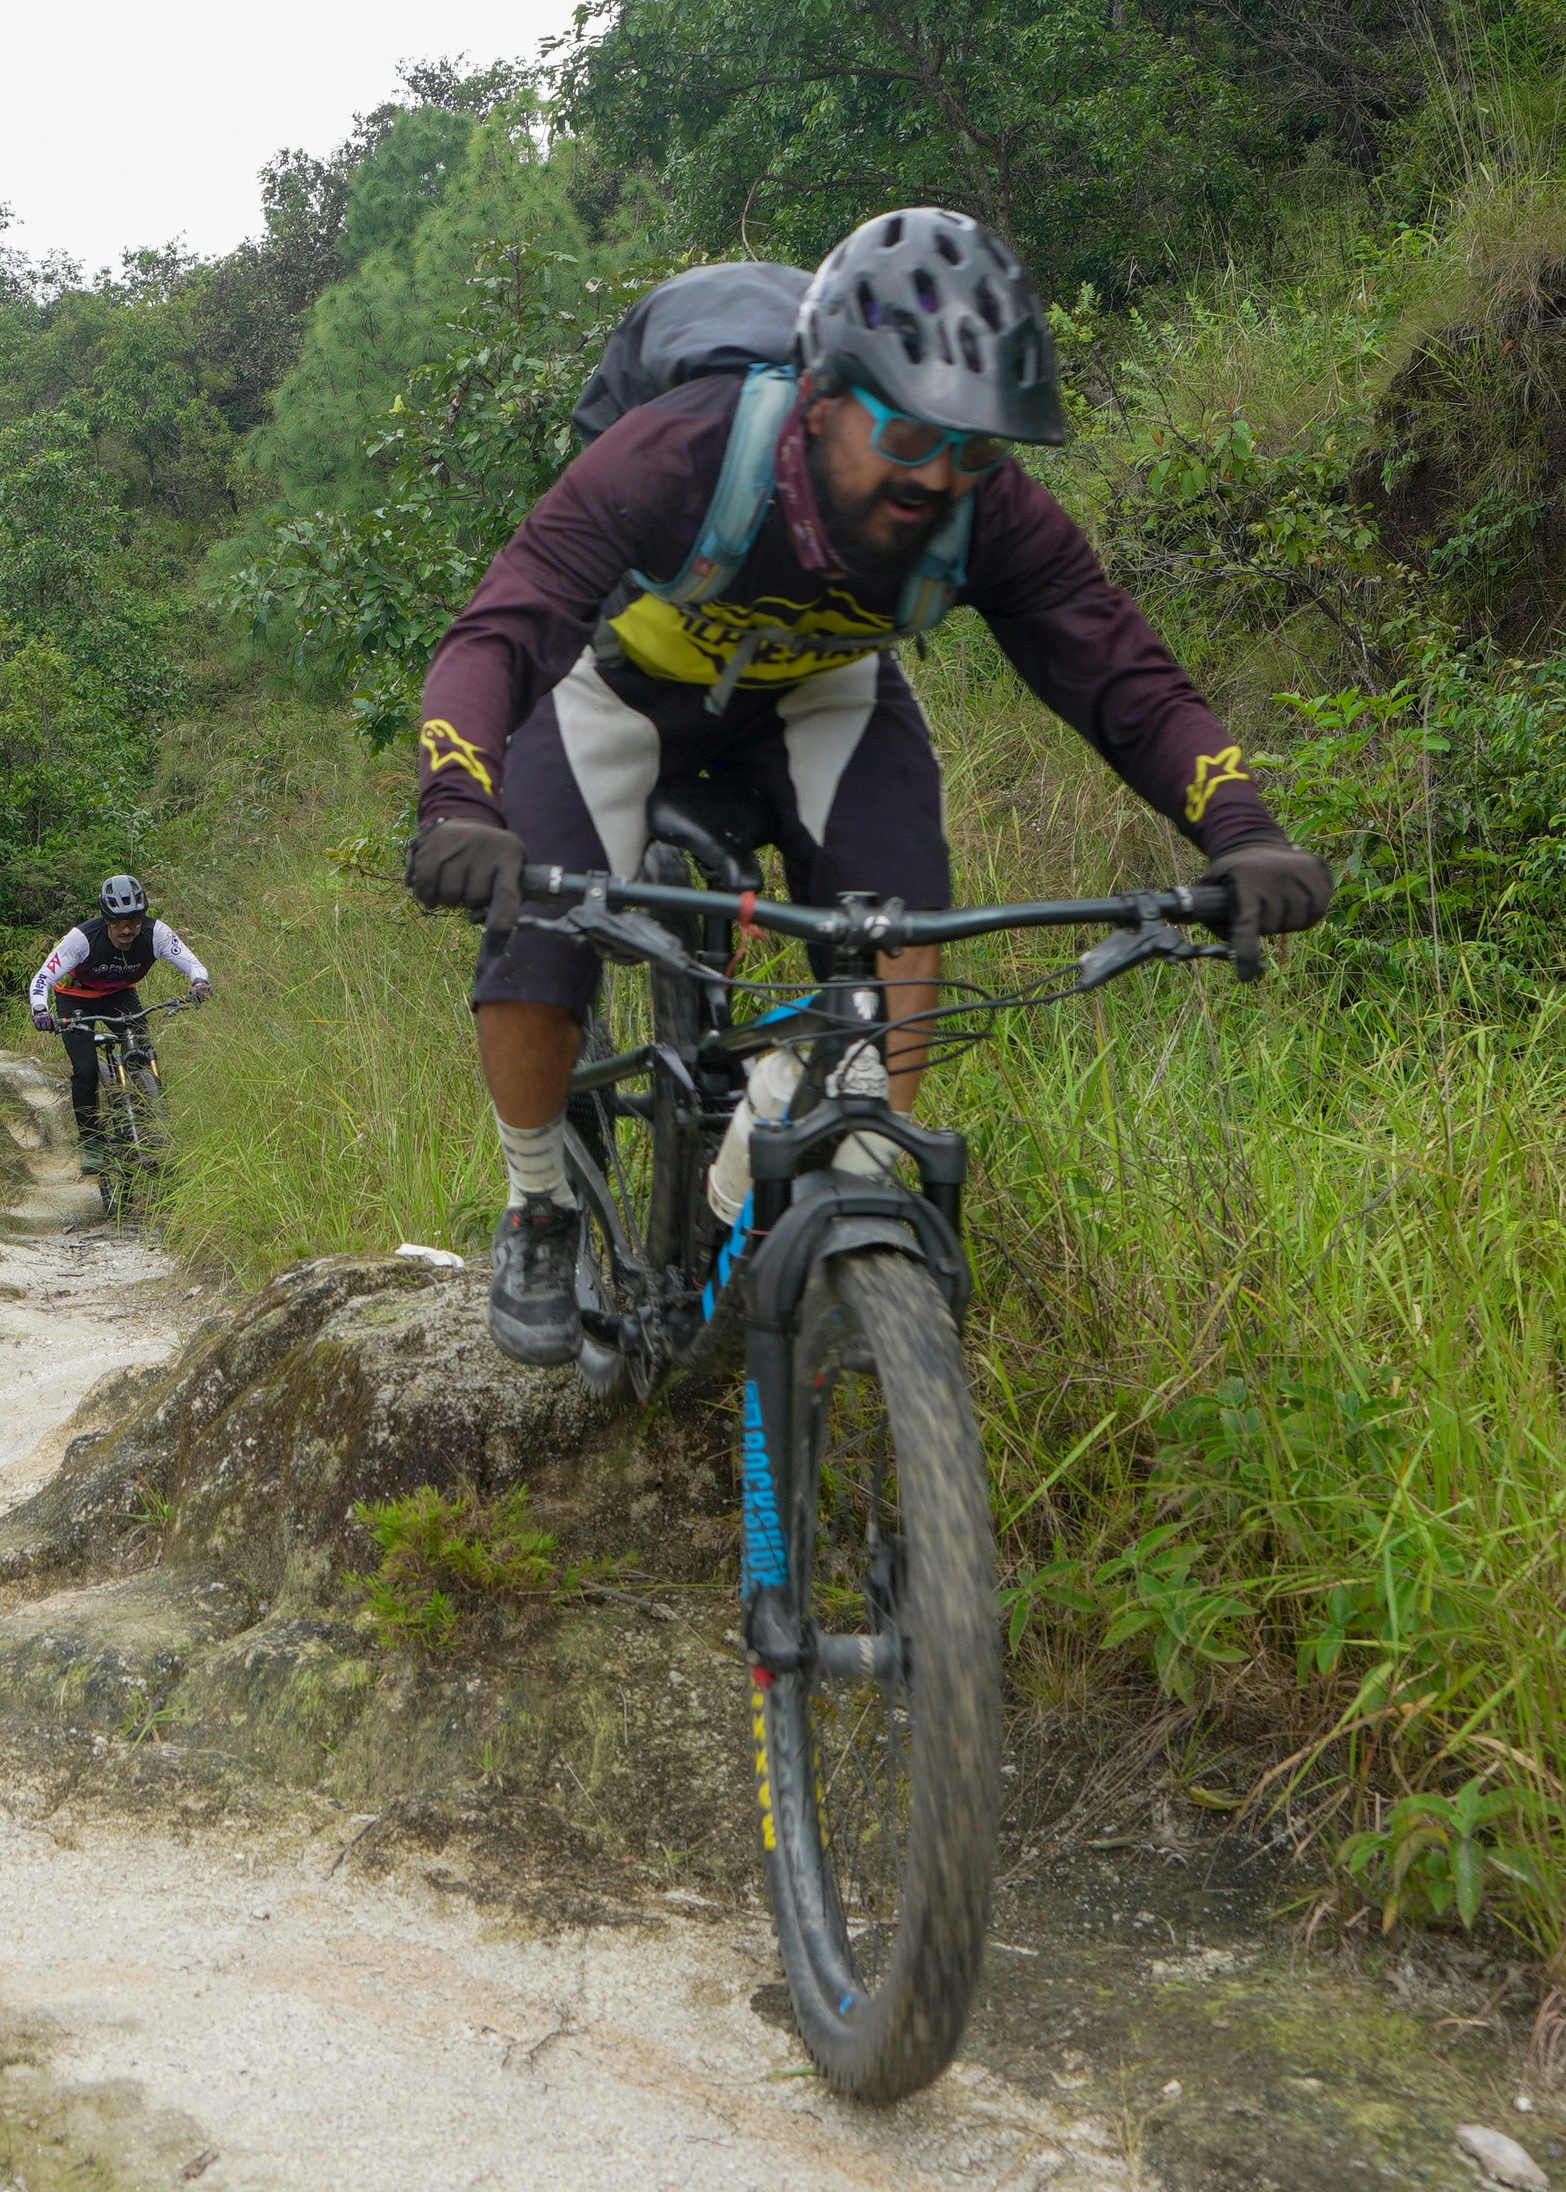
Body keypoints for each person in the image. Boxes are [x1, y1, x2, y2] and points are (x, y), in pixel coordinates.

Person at [400, 207, 1336, 1366]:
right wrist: (457, 804)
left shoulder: (985, 512)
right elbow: (498, 630)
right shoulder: (678, 454)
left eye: (977, 449)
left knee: (901, 936)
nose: (939, 477)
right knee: (538, 940)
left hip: (818, 689)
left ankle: (821, 1202)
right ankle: (536, 1201)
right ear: (823, 395)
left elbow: (1121, 674)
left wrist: (1241, 833)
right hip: (621, 684)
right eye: (905, 437)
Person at [28, 874, 212, 1172]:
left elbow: (193, 963)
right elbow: (42, 978)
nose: (128, 930)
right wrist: (40, 1011)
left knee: (141, 1055)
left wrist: (199, 983)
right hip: (77, 999)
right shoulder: (82, 938)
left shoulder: (157, 934)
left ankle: (149, 1127)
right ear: (107, 920)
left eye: (135, 921)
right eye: (119, 923)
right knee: (86, 1071)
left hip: (120, 995)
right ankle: (92, 1142)